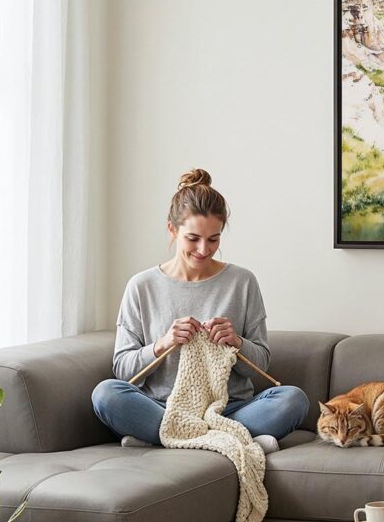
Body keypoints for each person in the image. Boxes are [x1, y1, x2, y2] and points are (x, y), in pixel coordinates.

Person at [91, 169, 309, 454]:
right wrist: (163, 344)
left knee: (294, 400)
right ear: (172, 229)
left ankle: (166, 437)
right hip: (164, 406)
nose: (204, 250)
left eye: (214, 239)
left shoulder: (242, 282)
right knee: (105, 394)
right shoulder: (141, 286)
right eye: (193, 238)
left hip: (229, 408)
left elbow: (262, 362)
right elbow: (123, 370)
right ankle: (230, 439)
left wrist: (237, 343)